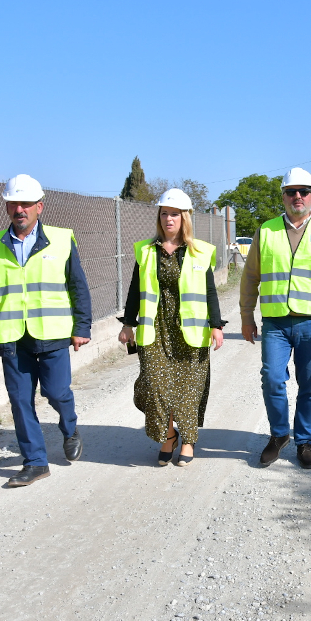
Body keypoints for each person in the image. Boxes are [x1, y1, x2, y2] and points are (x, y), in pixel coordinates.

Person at [0, 174, 91, 487]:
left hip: (52, 333)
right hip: (12, 336)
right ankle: (36, 462)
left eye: (26, 203)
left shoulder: (62, 240)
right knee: (20, 400)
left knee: (56, 391)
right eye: (13, 203)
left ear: (40, 206)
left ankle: (70, 428)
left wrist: (81, 326)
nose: (19, 209)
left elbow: (78, 286)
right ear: (7, 207)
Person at [240, 168, 311, 469]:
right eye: (292, 191)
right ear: (284, 196)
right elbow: (250, 277)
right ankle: (279, 435)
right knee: (272, 378)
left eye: (303, 191)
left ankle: (304, 441)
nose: (298, 196)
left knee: (309, 384)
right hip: (276, 322)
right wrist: (246, 316)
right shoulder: (266, 230)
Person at [118, 189, 225, 467]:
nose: (168, 219)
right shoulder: (145, 250)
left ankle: (187, 440)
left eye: (174, 214)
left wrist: (216, 325)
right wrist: (128, 324)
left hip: (190, 329)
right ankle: (168, 435)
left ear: (184, 218)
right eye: (164, 213)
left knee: (189, 388)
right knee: (154, 386)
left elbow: (209, 291)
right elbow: (134, 291)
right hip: (154, 328)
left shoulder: (199, 251)